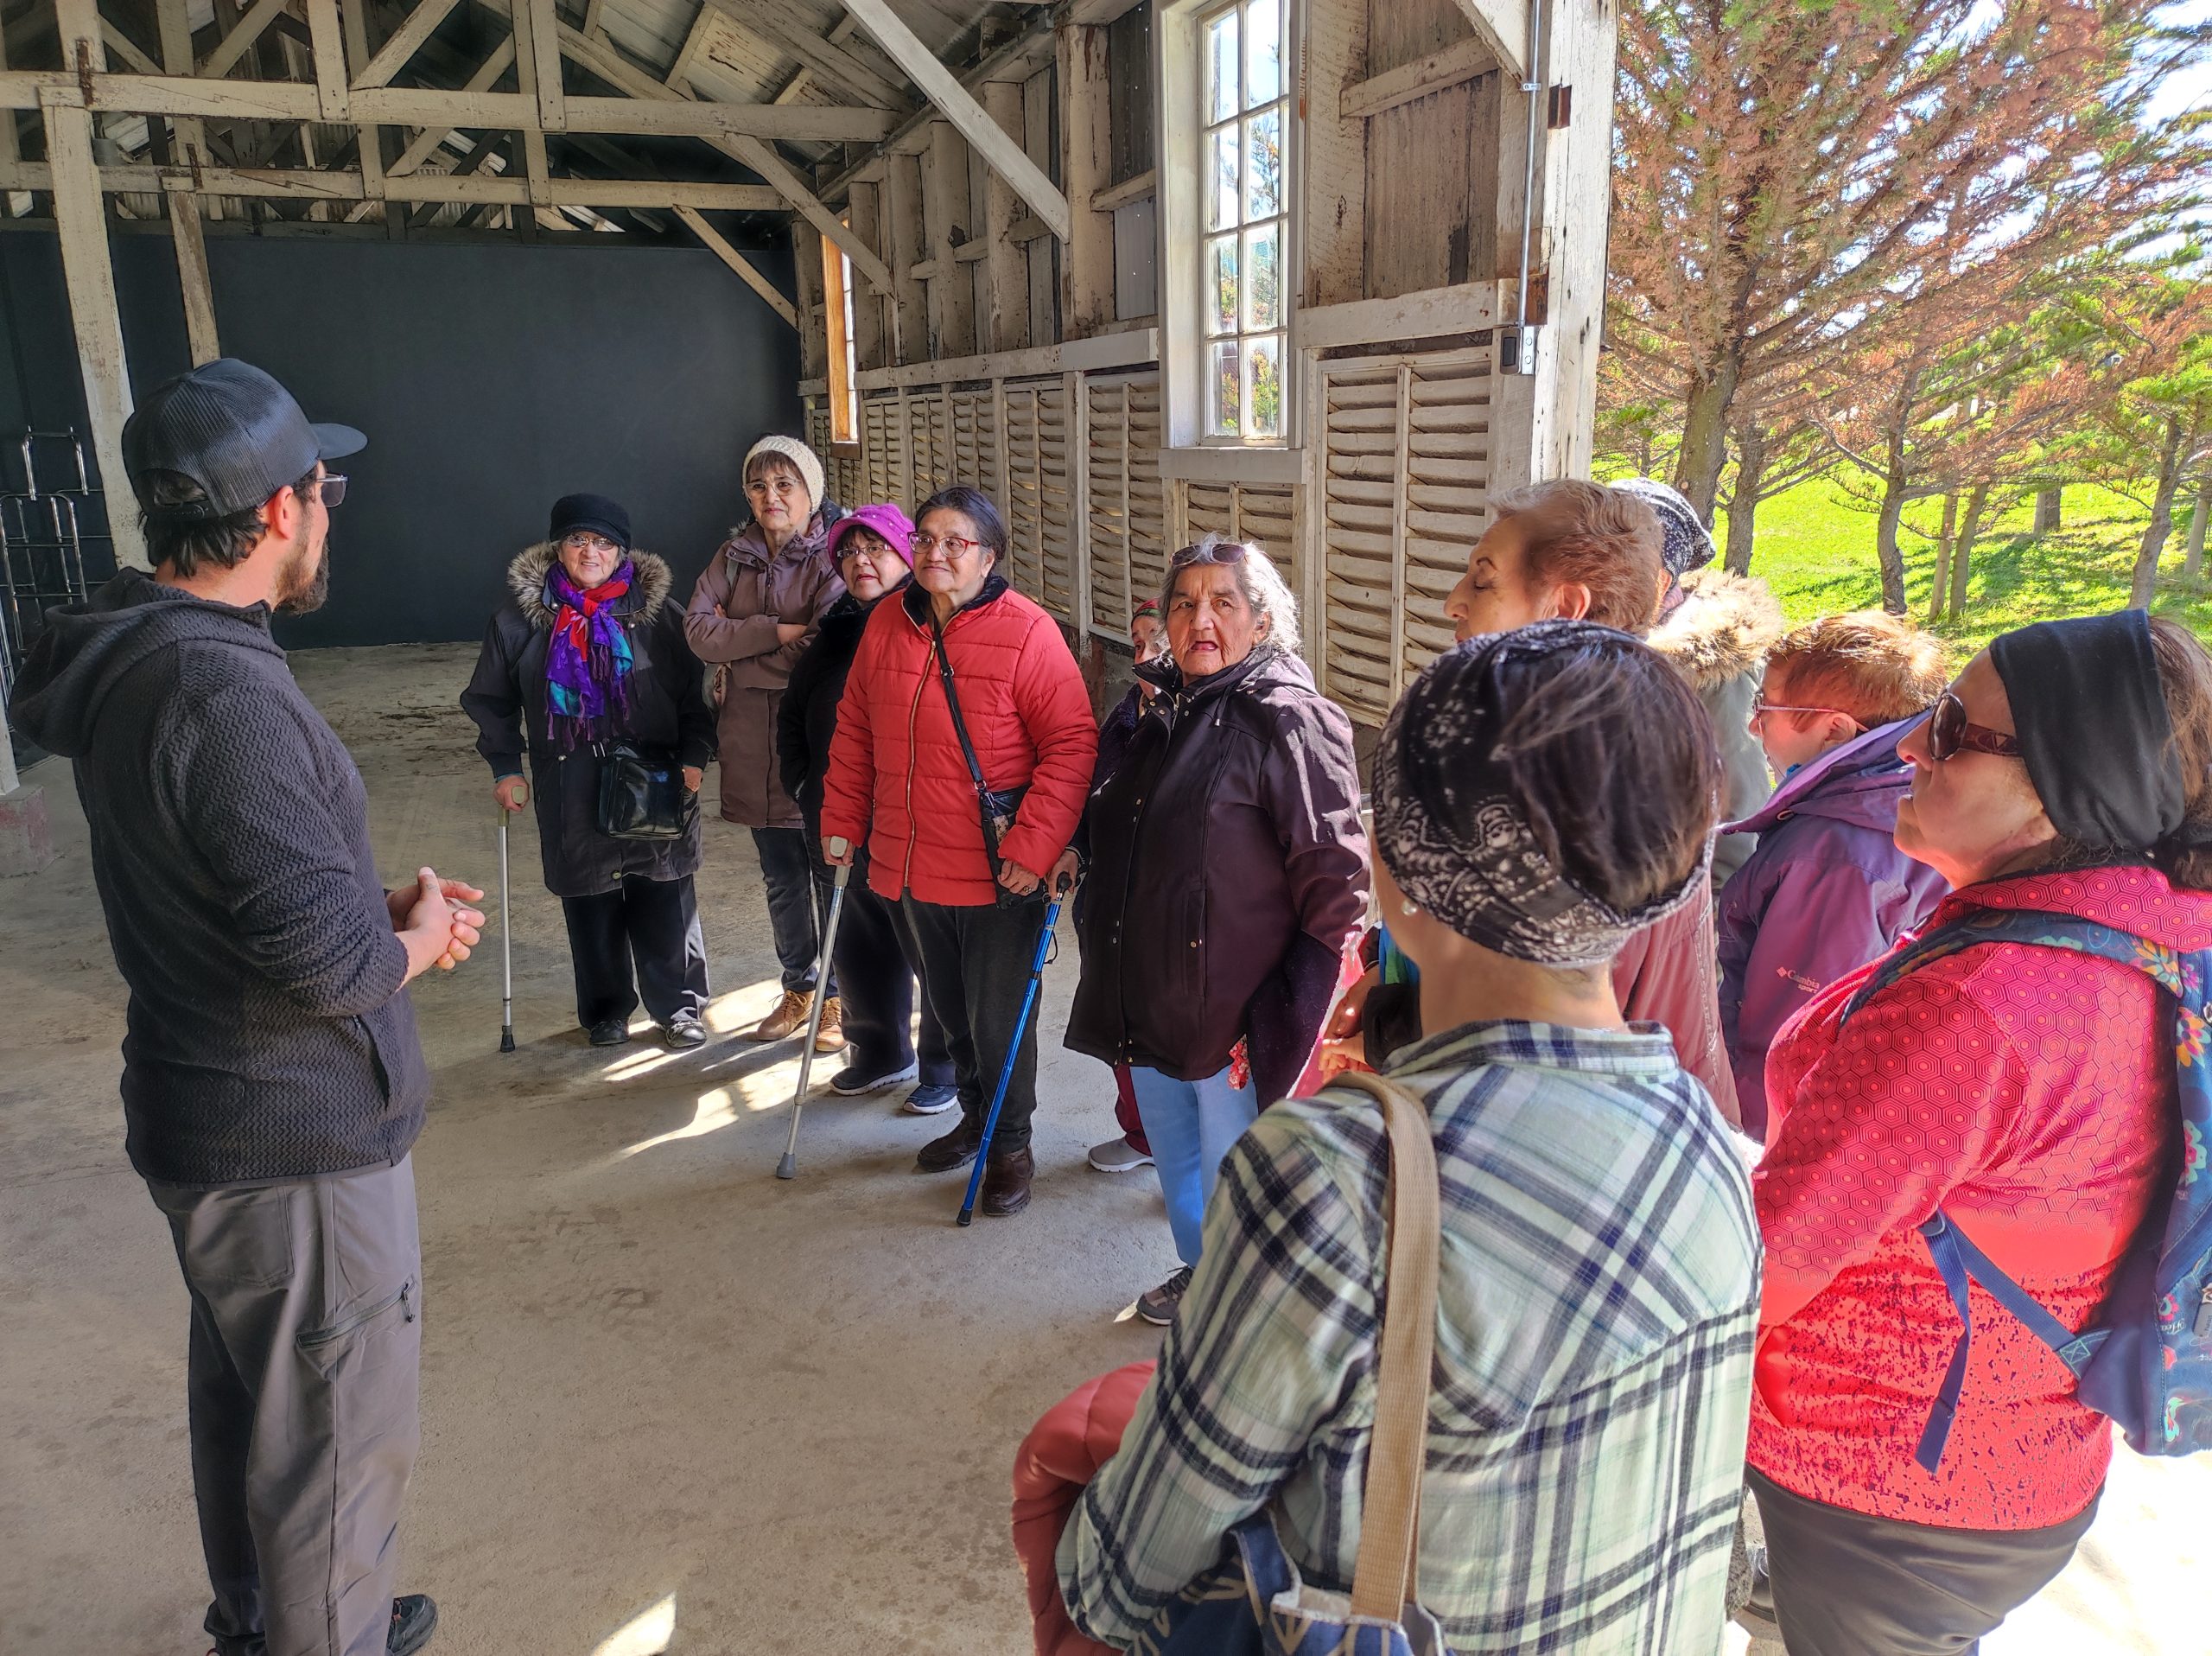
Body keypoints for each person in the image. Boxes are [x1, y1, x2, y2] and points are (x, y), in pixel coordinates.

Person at [1046, 622, 1761, 1653]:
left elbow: (1114, 1578)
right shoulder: (1716, 1153)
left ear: (1392, 867)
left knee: (1068, 1460)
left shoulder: (1331, 1173)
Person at [10, 359, 470, 1656]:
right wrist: (417, 938)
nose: (330, 514)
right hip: (293, 1144)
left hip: (211, 1116)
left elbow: (225, 876)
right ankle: (323, 1629)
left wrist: (355, 900)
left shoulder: (142, 654)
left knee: (256, 1406)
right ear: (279, 510)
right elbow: (331, 970)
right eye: (326, 491)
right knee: (334, 1445)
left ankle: (268, 1622)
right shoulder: (225, 695)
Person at [1748, 610, 2212, 1654]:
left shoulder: (1977, 1005)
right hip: (2024, 1457)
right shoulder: (2153, 931)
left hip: (1879, 1482)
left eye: (1954, 727)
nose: (1911, 742)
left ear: (2058, 786)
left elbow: (1768, 1263)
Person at [1323, 478, 1740, 1127]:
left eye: (1483, 580)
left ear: (1565, 607)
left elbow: (1545, 1002)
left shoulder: (1602, 772)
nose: (1453, 602)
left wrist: (1385, 1031)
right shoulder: (1508, 732)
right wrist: (1386, 962)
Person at [1065, 539, 1369, 1323]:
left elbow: (1338, 887)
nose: (1200, 619)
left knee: (1249, 1170)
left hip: (1238, 1014)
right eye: (1184, 604)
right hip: (1155, 993)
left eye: (1222, 603)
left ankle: (1259, 1307)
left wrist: (1288, 1012)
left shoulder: (1290, 720)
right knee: (1181, 1162)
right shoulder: (1164, 711)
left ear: (1262, 622)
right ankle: (1204, 1274)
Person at [818, 486, 1097, 1217]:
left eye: (955, 541)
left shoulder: (1027, 631)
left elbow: (1072, 744)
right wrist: (842, 819)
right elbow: (855, 728)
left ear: (988, 557)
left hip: (998, 870)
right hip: (910, 860)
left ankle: (1011, 1146)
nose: (935, 552)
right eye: (925, 539)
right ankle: (975, 1118)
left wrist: (1036, 846)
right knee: (949, 1013)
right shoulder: (887, 621)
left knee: (999, 1019)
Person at [461, 494, 716, 1048]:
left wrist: (695, 756)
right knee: (589, 895)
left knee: (663, 887)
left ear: (622, 552)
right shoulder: (519, 622)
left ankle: (679, 1007)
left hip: (654, 775)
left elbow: (696, 697)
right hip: (570, 776)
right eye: (578, 539)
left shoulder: (659, 616)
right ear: (558, 547)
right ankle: (606, 1011)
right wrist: (505, 768)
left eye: (604, 542)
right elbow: (491, 699)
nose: (591, 552)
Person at [1717, 610, 1950, 1136]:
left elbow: (1783, 1040)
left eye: (1765, 707)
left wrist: (1748, 1141)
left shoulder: (1834, 860)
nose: (1753, 726)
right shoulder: (1900, 796)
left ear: (1834, 730)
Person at [776, 500, 957, 1112]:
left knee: (931, 949)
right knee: (858, 945)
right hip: (839, 821)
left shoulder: (931, 624)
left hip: (913, 822)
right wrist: (806, 785)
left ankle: (944, 1066)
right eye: (849, 552)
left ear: (907, 554)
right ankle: (879, 1053)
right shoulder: (833, 633)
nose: (861, 561)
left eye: (876, 547)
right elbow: (793, 718)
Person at [685, 435, 847, 1049]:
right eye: (759, 485)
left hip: (813, 740)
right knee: (781, 879)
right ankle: (799, 989)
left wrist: (741, 656)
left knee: (830, 877)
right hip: (750, 743)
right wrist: (777, 631)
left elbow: (823, 648)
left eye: (785, 484)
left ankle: (838, 998)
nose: (771, 496)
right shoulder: (733, 557)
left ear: (811, 493)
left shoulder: (833, 557)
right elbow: (698, 632)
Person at [1621, 477, 1783, 887]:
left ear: (1659, 578)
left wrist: (1713, 910)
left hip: (1670, 898)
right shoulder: (1615, 638)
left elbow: (1736, 811)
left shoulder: (1715, 672)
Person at [1084, 598, 1168, 1176]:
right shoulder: (1123, 716)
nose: (1147, 656)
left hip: (1165, 905)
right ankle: (1141, 1133)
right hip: (1111, 896)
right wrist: (1074, 849)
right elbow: (1090, 792)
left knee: (1165, 1027)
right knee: (1118, 1021)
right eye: (1138, 644)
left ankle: (1182, 1148)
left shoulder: (1202, 717)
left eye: (1160, 643)